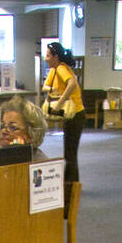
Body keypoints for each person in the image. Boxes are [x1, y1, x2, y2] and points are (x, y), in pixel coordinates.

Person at [42, 42, 85, 185]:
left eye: (48, 55)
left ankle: (72, 185)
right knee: (69, 151)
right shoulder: (54, 70)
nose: (45, 58)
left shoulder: (61, 68)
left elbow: (72, 83)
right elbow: (46, 87)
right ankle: (70, 182)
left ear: (56, 56)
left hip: (76, 114)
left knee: (70, 152)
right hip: (70, 115)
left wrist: (59, 102)